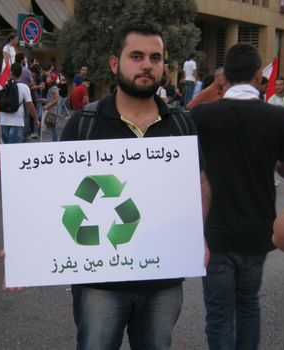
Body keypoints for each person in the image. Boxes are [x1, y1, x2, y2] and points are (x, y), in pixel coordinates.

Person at [61, 22, 211, 350]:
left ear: (164, 67)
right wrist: (29, 247)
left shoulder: (181, 123)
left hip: (163, 279)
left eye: (156, 58)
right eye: (137, 56)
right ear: (115, 63)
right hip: (100, 284)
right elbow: (52, 193)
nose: (147, 65)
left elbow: (199, 184)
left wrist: (198, 234)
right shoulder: (85, 123)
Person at [191, 43, 284, 350]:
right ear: (259, 76)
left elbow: (181, 128)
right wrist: (271, 158)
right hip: (257, 230)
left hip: (214, 232)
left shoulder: (203, 115)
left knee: (217, 315)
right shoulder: (278, 119)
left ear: (224, 76)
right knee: (249, 306)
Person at [0, 63, 39, 143]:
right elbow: (30, 107)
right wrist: (36, 119)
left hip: (3, 122)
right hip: (17, 122)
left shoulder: (1, 85)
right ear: (20, 74)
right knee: (14, 151)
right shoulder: (24, 87)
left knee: (6, 150)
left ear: (10, 72)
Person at [41, 73, 60, 141]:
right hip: (51, 109)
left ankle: (55, 141)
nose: (47, 78)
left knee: (52, 127)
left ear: (52, 79)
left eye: (49, 77)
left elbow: (56, 99)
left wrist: (46, 106)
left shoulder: (54, 87)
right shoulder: (50, 87)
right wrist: (46, 100)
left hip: (53, 110)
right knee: (52, 127)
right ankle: (54, 141)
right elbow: (52, 98)